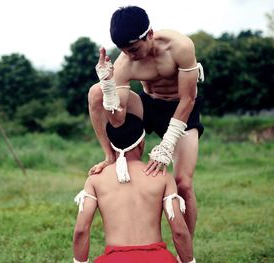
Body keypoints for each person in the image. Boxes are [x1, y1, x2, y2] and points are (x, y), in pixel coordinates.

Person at [88, 5, 204, 238]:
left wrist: (167, 145)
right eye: (124, 50)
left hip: (180, 107)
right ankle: (109, 156)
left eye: (133, 48)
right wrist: (109, 88)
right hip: (146, 104)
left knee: (183, 184)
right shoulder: (124, 63)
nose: (130, 55)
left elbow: (188, 98)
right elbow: (118, 119)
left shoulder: (180, 47)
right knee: (95, 93)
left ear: (149, 34)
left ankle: (186, 253)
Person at [73, 113, 195, 263]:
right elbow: (179, 232)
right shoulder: (162, 177)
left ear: (111, 145)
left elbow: (81, 230)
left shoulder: (95, 180)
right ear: (141, 143)